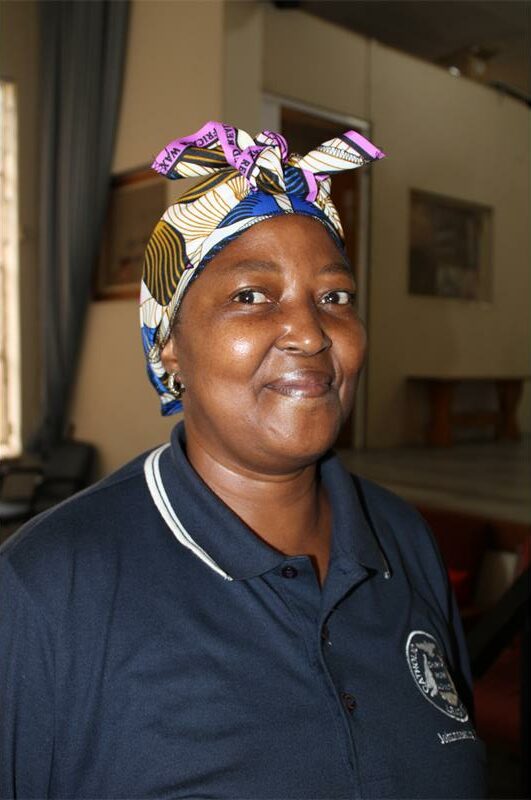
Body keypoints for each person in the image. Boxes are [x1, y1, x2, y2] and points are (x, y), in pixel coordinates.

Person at [0, 122, 486, 799]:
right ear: (170, 344)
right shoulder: (48, 587)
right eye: (251, 296)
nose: (310, 333)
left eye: (335, 297)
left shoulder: (402, 539)